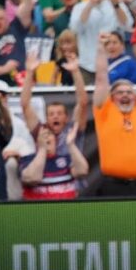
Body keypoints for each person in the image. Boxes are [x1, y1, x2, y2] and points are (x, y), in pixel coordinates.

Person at [90, 32, 136, 197]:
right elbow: (101, 78)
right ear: (112, 98)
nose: (125, 95)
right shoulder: (104, 111)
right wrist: (101, 48)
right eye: (119, 92)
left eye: (129, 92)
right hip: (112, 187)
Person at [17, 53, 90, 200]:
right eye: (51, 114)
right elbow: (25, 106)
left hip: (73, 184)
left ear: (66, 117)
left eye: (59, 114)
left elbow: (82, 103)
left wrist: (75, 71)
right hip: (45, 184)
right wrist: (30, 72)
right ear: (46, 118)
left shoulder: (72, 131)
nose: (55, 117)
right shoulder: (42, 132)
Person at [69, 0, 134, 82]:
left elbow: (128, 25)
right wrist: (90, 4)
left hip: (112, 63)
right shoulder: (79, 7)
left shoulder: (116, 4)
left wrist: (116, 6)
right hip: (87, 65)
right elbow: (75, 29)